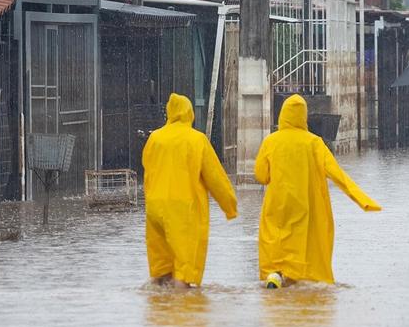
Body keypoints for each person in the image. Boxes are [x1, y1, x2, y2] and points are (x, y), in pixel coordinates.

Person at [254, 94, 381, 288]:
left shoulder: (270, 141)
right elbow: (337, 174)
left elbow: (261, 176)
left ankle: (276, 275)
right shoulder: (314, 143)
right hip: (305, 205)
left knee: (276, 241)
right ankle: (296, 282)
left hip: (277, 204)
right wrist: (363, 200)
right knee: (300, 243)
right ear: (303, 116)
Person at [143, 93, 237, 288]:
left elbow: (148, 170)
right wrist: (230, 207)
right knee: (183, 275)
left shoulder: (155, 138)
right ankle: (185, 313)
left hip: (155, 208)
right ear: (189, 113)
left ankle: (158, 313)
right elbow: (215, 178)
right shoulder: (196, 140)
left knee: (161, 271)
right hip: (183, 210)